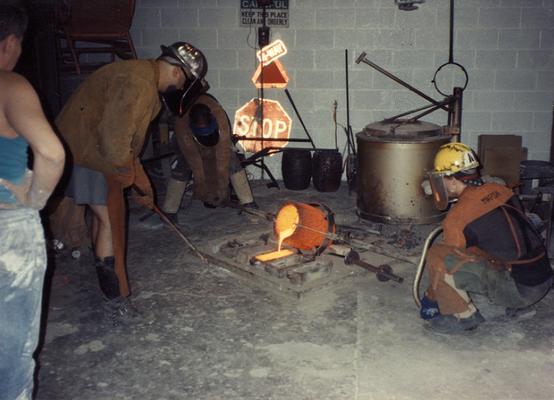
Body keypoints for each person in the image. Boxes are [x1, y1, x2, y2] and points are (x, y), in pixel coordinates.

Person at [55, 42, 208, 307]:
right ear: (176, 72)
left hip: (85, 148)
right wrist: (130, 178)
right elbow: (115, 145)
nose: (181, 88)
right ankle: (115, 296)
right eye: (184, 81)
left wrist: (144, 186)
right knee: (111, 219)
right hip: (85, 151)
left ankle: (103, 272)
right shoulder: (138, 83)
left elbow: (126, 146)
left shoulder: (141, 76)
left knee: (101, 216)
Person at [0, 4, 66, 399]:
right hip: (7, 229)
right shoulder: (10, 85)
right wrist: (35, 199)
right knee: (11, 360)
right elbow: (52, 153)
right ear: (9, 43)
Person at [421, 142, 553, 334]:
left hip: (521, 292)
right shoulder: (501, 189)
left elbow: (448, 264)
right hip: (544, 279)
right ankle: (517, 299)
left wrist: (431, 297)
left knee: (438, 254)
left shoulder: (457, 218)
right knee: (479, 248)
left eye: (441, 177)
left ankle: (463, 317)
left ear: (451, 180)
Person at [161, 92, 257, 220]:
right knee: (183, 165)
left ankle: (248, 202)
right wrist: (204, 191)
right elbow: (196, 164)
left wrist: (222, 191)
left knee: (232, 160)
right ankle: (169, 210)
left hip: (210, 135)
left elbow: (223, 157)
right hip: (188, 141)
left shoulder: (219, 116)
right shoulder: (181, 124)